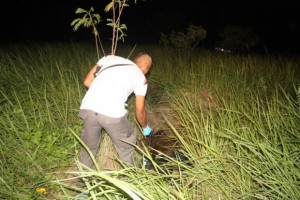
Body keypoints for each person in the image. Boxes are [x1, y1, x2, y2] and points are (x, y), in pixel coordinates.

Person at [78, 53, 153, 168]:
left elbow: (87, 82)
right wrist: (145, 127)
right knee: (126, 147)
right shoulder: (141, 78)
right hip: (113, 114)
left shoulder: (109, 58)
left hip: (89, 107)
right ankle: (128, 179)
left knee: (89, 147)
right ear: (147, 70)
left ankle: (82, 182)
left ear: (134, 61)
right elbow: (139, 111)